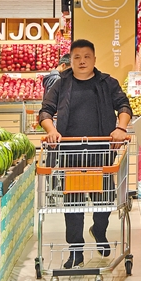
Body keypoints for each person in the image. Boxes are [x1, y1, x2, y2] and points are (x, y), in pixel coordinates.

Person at [38, 39, 132, 269]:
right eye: (77, 57)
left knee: (104, 201)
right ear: (70, 60)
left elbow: (124, 106)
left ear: (94, 59)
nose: (82, 61)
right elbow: (45, 111)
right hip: (70, 154)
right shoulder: (61, 84)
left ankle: (99, 231)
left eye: (86, 56)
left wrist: (120, 128)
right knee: (74, 205)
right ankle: (76, 251)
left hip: (102, 153)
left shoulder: (107, 82)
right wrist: (51, 131)